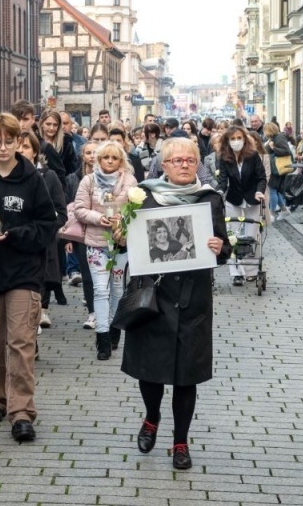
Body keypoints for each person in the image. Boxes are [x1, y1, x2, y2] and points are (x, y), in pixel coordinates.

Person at [122, 137, 231, 471]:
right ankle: (152, 417)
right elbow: (127, 241)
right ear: (164, 165)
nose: (184, 165)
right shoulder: (144, 196)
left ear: (198, 163)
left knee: (187, 375)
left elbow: (224, 250)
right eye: (177, 160)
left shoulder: (210, 199)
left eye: (190, 160)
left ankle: (180, 441)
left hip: (193, 299)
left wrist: (218, 247)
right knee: (150, 369)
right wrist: (119, 234)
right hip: (153, 296)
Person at [0, 112, 58, 442]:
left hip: (25, 272)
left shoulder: (34, 180)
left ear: (20, 142)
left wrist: (15, 235)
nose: (2, 147)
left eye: (9, 140)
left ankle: (21, 411)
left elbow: (48, 225)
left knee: (20, 340)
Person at [74, 140, 138, 360]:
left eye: (114, 158)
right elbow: (79, 209)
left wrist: (123, 222)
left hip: (120, 244)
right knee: (101, 290)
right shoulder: (88, 181)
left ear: (121, 160)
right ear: (98, 160)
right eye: (105, 158)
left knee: (118, 290)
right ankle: (102, 338)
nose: (109, 162)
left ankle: (114, 330)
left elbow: (136, 209)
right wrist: (99, 218)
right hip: (96, 243)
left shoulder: (129, 181)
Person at [18, 131, 67, 331]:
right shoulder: (3, 177)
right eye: (18, 146)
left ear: (35, 152)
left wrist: (45, 228)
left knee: (35, 290)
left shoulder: (49, 176)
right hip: (15, 244)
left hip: (41, 244)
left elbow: (61, 213)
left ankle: (36, 319)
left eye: (26, 147)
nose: (21, 150)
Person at [215, 126, 266, 286]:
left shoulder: (253, 156)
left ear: (244, 139)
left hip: (252, 198)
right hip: (233, 198)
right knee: (232, 235)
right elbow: (223, 180)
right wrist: (219, 191)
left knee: (251, 235)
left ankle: (250, 271)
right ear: (227, 141)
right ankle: (235, 272)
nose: (236, 141)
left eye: (239, 138)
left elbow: (261, 177)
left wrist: (259, 192)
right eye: (233, 139)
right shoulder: (224, 157)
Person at [65, 137, 99, 330]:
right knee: (87, 274)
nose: (92, 156)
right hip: (81, 233)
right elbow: (68, 210)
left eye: (96, 152)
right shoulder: (72, 179)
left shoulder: (109, 177)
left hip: (103, 232)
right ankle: (93, 312)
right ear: (82, 156)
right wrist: (68, 238)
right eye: (88, 153)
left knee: (103, 276)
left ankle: (105, 309)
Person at [9, 100, 67, 187]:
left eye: (25, 119)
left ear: (33, 119)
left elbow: (60, 180)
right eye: (17, 119)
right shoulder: (6, 145)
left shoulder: (45, 147)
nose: (21, 124)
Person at [263, 122, 293, 220]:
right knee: (275, 190)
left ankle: (271, 214)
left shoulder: (279, 138)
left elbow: (286, 151)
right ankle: (284, 210)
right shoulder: (272, 138)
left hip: (277, 168)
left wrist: (273, 148)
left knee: (272, 190)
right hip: (273, 167)